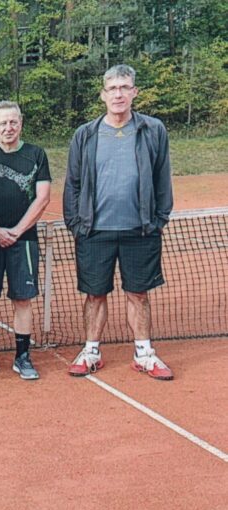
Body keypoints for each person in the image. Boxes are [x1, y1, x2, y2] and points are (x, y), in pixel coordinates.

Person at [64, 64, 174, 380]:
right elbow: (73, 183)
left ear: (134, 92)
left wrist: (158, 220)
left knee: (138, 294)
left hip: (140, 230)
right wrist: (76, 224)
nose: (118, 94)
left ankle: (144, 353)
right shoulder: (85, 134)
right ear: (103, 94)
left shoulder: (153, 130)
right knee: (94, 294)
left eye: (125, 87)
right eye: (112, 88)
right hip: (94, 231)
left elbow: (162, 177)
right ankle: (91, 351)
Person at [0, 101, 51, 380]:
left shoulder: (36, 154)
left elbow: (42, 197)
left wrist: (16, 230)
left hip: (24, 241)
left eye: (13, 122)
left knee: (22, 299)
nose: (8, 127)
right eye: (2, 123)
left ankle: (22, 356)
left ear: (21, 123)